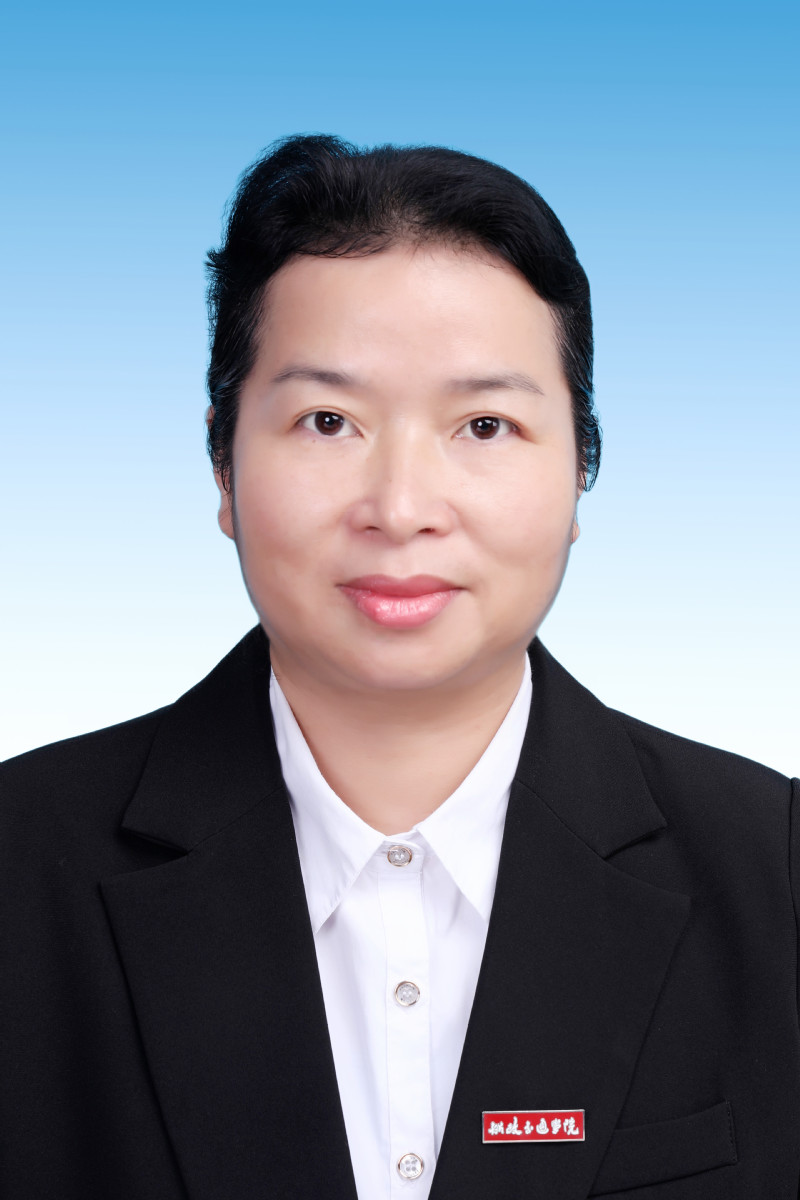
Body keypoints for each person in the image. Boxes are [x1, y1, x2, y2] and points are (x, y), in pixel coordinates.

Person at [1, 134, 798, 1200]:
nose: (402, 507)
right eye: (328, 421)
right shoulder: (19, 867)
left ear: (581, 469)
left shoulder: (775, 872)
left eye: (484, 424)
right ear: (223, 466)